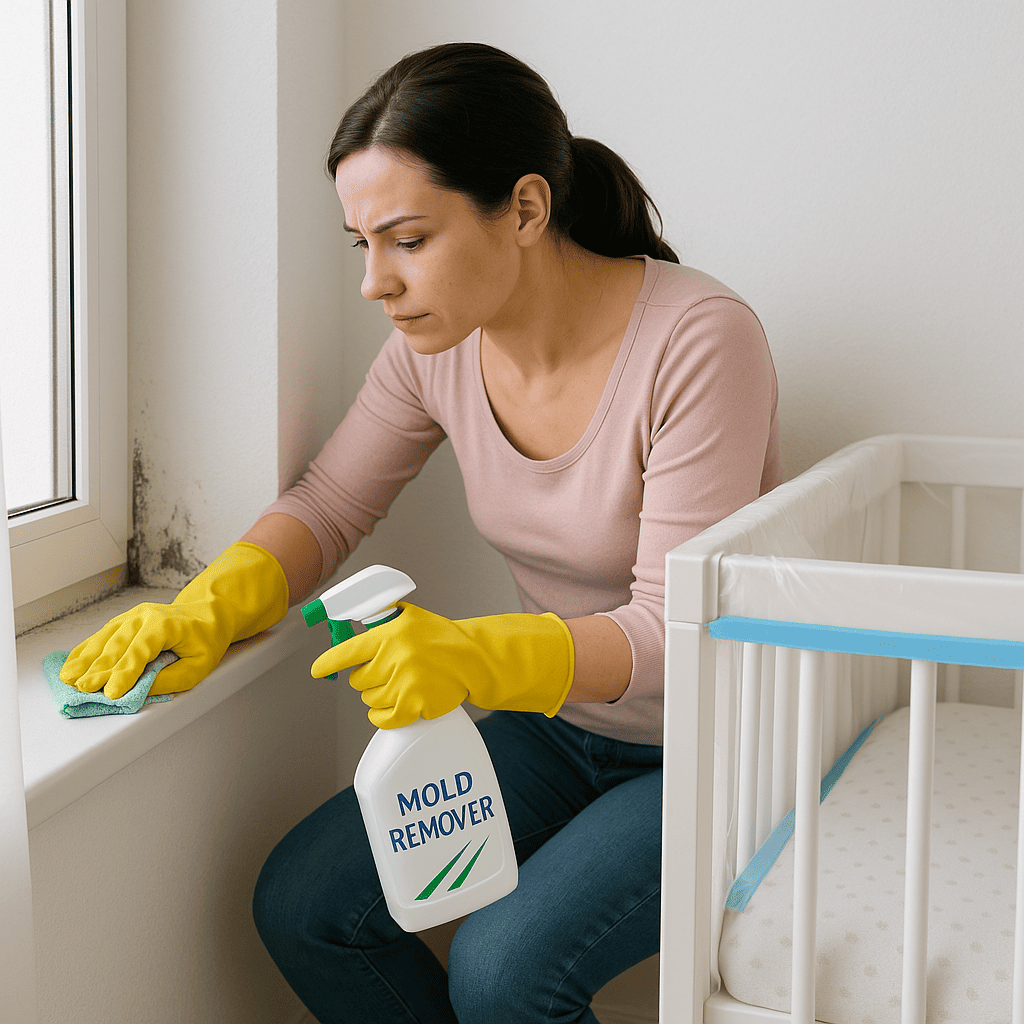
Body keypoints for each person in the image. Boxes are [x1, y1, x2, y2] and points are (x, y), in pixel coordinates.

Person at [60, 41, 780, 1024]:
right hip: (560, 727)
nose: (375, 283)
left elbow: (668, 632)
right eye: (361, 244)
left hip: (713, 744)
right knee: (307, 907)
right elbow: (327, 504)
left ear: (524, 209)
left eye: (406, 240)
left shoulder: (697, 338)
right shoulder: (433, 351)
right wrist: (204, 609)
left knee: (502, 972)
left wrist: (472, 655)